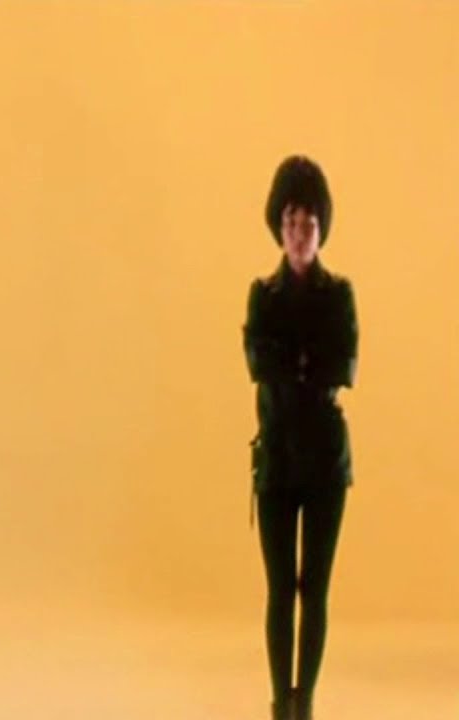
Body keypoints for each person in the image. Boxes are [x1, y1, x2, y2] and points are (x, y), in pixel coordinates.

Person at [243, 155, 356, 720]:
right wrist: (305, 365)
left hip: (326, 465)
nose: (299, 233)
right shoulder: (262, 294)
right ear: (278, 225)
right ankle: (278, 702)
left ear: (321, 228)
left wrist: (294, 364)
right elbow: (259, 363)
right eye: (290, 221)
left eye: (309, 223)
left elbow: (344, 366)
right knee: (279, 590)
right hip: (277, 462)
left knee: (316, 590)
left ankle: (304, 701)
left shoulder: (340, 294)